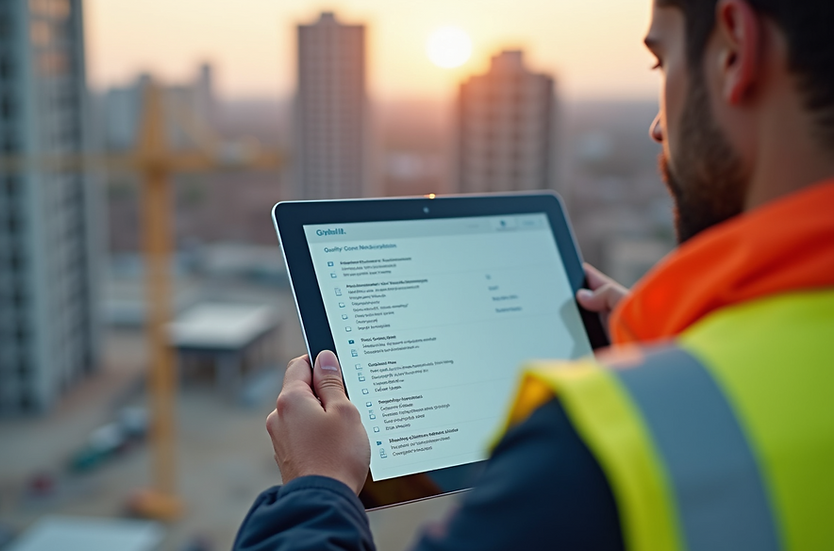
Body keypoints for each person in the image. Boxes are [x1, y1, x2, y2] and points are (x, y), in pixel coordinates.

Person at [234, 0, 834, 548]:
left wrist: (316, 488)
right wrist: (679, 345)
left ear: (735, 49)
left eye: (662, 63)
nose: (657, 126)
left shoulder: (597, 453)